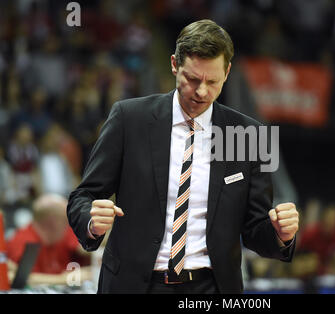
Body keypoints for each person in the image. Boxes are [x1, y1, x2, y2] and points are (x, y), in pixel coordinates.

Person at [67, 19, 299, 294]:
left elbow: (255, 229)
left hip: (211, 288)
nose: (201, 91)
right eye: (192, 79)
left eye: (212, 81)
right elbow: (83, 197)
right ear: (175, 64)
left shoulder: (250, 135)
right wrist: (92, 221)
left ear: (227, 72)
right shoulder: (129, 118)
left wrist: (281, 236)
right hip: (132, 285)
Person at [6, 194, 91, 286]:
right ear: (53, 221)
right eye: (68, 220)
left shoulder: (60, 235)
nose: (69, 225)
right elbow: (20, 279)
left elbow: (84, 248)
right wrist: (64, 279)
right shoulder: (24, 242)